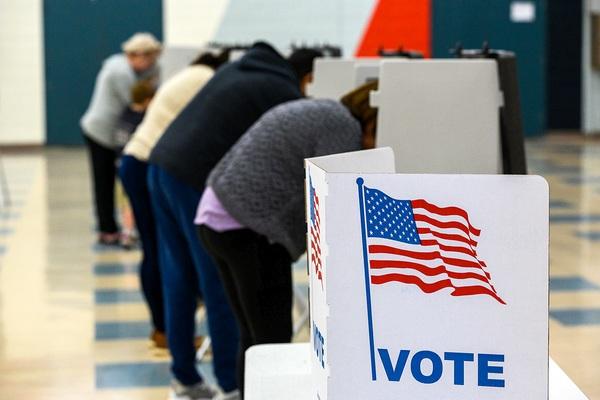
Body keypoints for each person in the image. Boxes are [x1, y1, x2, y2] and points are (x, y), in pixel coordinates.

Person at [147, 42, 322, 400]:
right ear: (309, 78)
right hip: (196, 178)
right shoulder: (281, 91)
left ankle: (185, 378)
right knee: (221, 287)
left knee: (180, 278)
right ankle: (231, 386)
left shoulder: (242, 71)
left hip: (162, 165)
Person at [196, 81, 378, 398]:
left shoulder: (322, 110)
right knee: (272, 342)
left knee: (256, 341)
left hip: (217, 216)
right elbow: (335, 196)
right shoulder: (343, 127)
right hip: (248, 228)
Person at [118, 50, 230, 349]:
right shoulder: (206, 80)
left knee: (156, 250)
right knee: (160, 252)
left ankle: (163, 328)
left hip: (137, 159)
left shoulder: (186, 76)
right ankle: (165, 329)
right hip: (147, 162)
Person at [80, 32, 161, 245]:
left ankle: (118, 227)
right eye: (151, 58)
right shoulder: (121, 73)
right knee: (105, 182)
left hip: (113, 131)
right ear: (139, 55)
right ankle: (108, 230)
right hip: (101, 133)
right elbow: (137, 102)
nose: (153, 63)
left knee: (114, 183)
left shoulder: (124, 65)